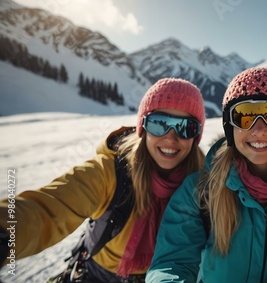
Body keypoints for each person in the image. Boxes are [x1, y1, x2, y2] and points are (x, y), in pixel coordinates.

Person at [146, 67, 267, 282]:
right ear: (229, 127)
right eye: (244, 116)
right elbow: (172, 263)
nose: (259, 129)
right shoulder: (200, 190)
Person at [0, 78, 206, 282]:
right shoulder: (111, 172)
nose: (171, 138)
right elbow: (46, 210)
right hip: (96, 276)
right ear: (143, 127)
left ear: (196, 136)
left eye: (185, 127)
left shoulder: (205, 186)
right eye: (159, 124)